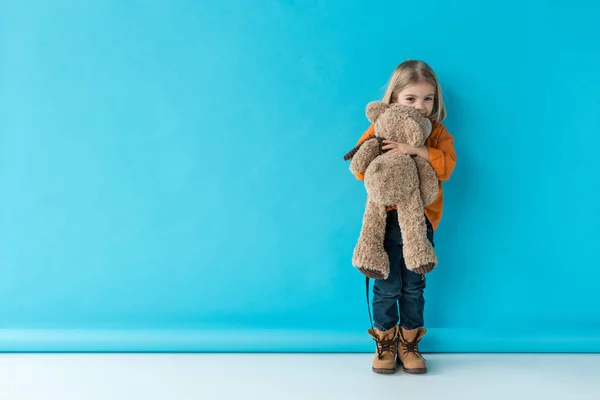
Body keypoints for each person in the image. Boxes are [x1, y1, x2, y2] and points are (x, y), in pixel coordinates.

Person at [352, 60, 456, 374]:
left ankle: (410, 343)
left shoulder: (436, 132)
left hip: (420, 220)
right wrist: (384, 163)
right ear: (394, 98)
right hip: (384, 219)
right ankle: (385, 343)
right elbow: (360, 169)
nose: (421, 106)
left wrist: (417, 151)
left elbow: (447, 167)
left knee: (414, 284)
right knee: (386, 284)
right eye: (411, 98)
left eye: (428, 99)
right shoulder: (380, 126)